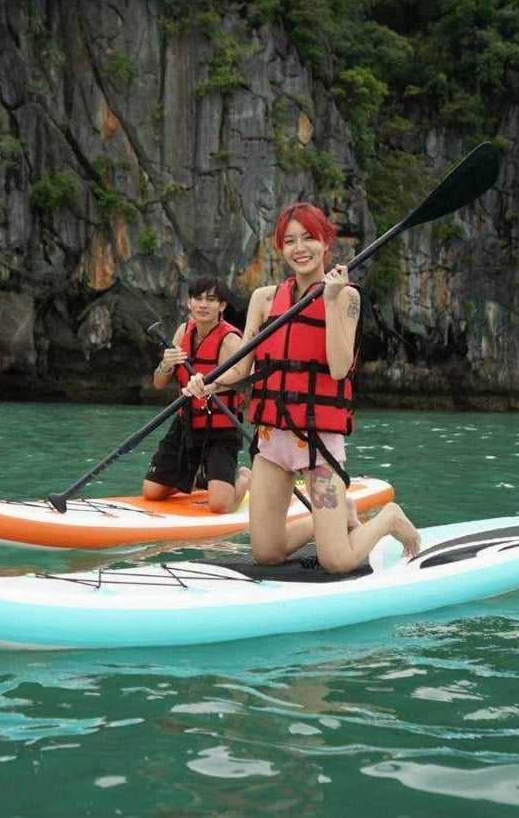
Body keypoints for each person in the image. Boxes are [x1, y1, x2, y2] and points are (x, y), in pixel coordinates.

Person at [185, 203, 422, 573]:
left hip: (318, 442)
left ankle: (388, 518)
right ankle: (334, 517)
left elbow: (341, 369)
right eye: (290, 241)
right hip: (271, 439)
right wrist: (207, 382)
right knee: (266, 553)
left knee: (337, 561)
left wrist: (329, 301)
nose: (300, 248)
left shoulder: (347, 297)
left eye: (309, 238)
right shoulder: (264, 299)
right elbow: (242, 367)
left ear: (326, 241)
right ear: (281, 248)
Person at [143, 277, 252, 514]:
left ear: (222, 306)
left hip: (222, 427)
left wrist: (212, 384)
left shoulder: (230, 339)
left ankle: (242, 478)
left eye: (211, 300)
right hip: (187, 423)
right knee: (151, 492)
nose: (203, 305)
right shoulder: (182, 331)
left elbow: (245, 378)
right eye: (198, 299)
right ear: (189, 303)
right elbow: (159, 383)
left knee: (220, 506)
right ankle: (198, 479)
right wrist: (165, 365)